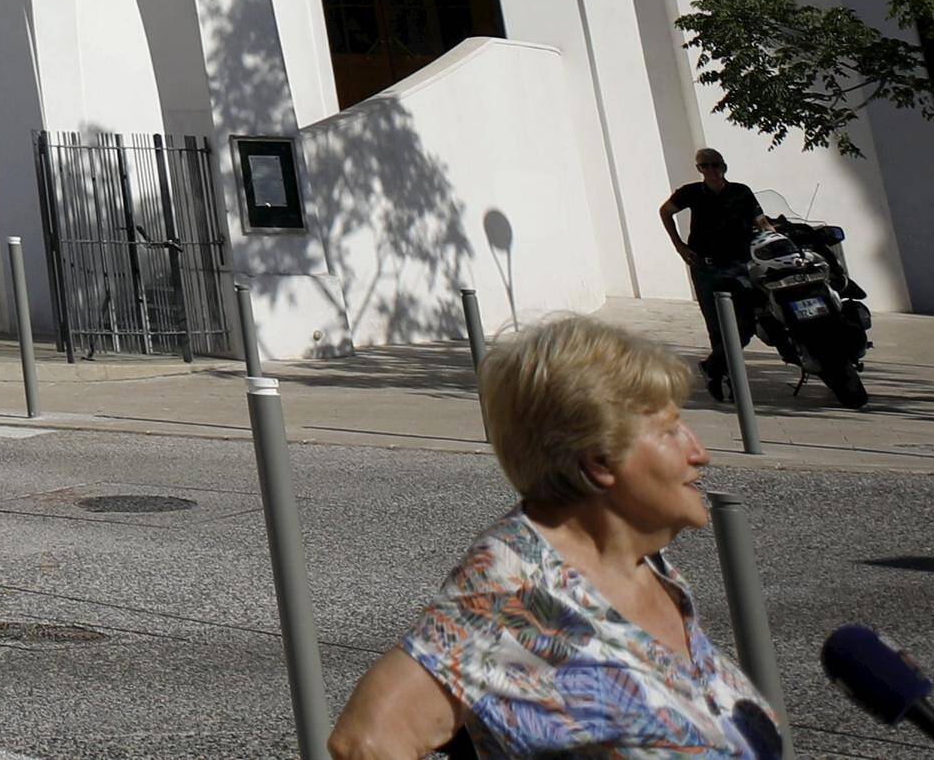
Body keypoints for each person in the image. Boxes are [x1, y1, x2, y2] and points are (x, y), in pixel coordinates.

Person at [326, 316, 785, 759]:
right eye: (670, 432)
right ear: (599, 461)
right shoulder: (515, 588)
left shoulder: (640, 562)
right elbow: (364, 742)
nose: (699, 453)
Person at [663, 148, 764, 381]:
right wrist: (678, 245)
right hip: (705, 266)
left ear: (723, 166)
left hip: (739, 264)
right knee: (716, 325)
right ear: (699, 169)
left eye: (714, 164)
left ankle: (715, 365)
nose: (710, 170)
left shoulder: (741, 191)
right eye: (704, 165)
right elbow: (666, 211)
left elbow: (761, 221)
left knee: (747, 320)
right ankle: (725, 378)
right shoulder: (691, 192)